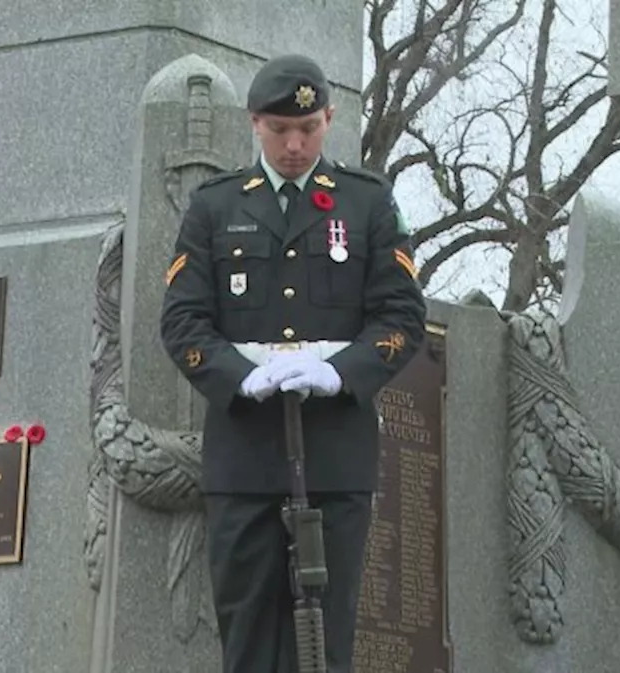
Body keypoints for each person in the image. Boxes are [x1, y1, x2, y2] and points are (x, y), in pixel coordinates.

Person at [159, 53, 427, 673]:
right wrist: (239, 374)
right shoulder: (215, 208)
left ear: (329, 119)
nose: (295, 144)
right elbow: (182, 320)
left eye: (308, 129)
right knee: (247, 641)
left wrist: (342, 371)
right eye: (280, 130)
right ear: (255, 124)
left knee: (324, 646)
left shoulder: (367, 204)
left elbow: (401, 317)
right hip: (245, 461)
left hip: (334, 458)